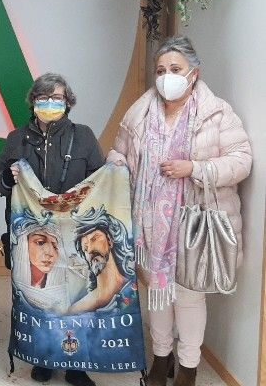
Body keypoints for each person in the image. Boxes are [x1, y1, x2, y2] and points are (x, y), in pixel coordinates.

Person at [107, 36, 252, 386]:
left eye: (175, 69)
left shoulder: (216, 113)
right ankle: (161, 359)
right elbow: (118, 154)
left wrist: (196, 169)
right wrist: (119, 169)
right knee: (157, 292)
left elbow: (241, 160)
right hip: (150, 223)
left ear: (194, 73)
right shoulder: (139, 113)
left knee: (188, 296)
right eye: (160, 70)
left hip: (194, 222)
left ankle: (187, 367)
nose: (166, 76)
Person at [0, 72, 105, 386]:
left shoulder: (83, 136)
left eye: (57, 98)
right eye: (43, 98)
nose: (49, 104)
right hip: (31, 236)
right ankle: (43, 357)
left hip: (74, 234)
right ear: (33, 103)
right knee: (37, 296)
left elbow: (99, 181)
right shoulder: (17, 138)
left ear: (68, 103)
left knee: (74, 299)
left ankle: (76, 365)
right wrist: (7, 178)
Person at [68, 206, 135, 314]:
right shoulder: (78, 309)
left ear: (109, 240)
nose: (90, 250)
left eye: (94, 239)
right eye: (85, 248)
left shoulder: (132, 290)